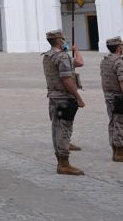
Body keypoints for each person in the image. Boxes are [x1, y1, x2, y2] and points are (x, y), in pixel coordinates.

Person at [42, 29, 86, 175]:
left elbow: (79, 62)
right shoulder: (61, 57)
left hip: (53, 97)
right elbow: (66, 80)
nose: (64, 40)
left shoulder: (48, 56)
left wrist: (75, 51)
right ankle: (64, 164)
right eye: (63, 38)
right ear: (59, 41)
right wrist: (78, 97)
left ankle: (61, 161)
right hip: (64, 98)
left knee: (56, 129)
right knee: (64, 130)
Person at [99, 36, 123, 162]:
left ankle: (115, 150)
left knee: (113, 122)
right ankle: (120, 152)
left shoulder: (105, 61)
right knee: (120, 123)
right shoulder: (119, 62)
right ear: (119, 47)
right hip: (119, 97)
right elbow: (122, 81)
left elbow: (104, 80)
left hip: (109, 96)